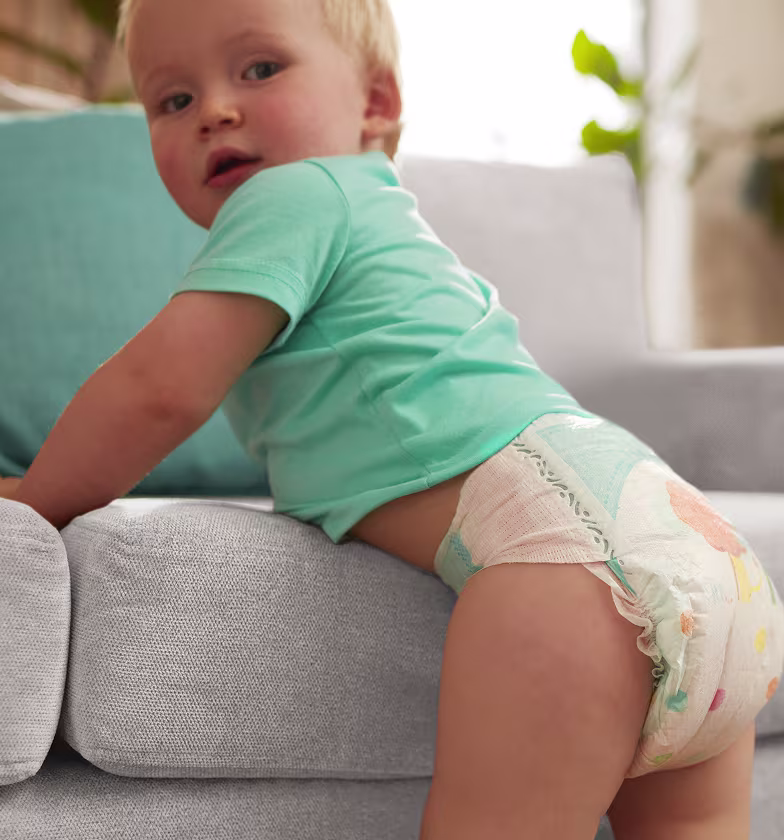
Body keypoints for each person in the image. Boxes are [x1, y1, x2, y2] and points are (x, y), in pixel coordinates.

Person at [1, 0, 782, 836]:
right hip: (703, 558)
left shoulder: (294, 195)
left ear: (375, 101)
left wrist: (34, 497)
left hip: (572, 572)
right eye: (172, 100)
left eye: (259, 70)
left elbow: (160, 387)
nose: (215, 110)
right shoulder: (382, 218)